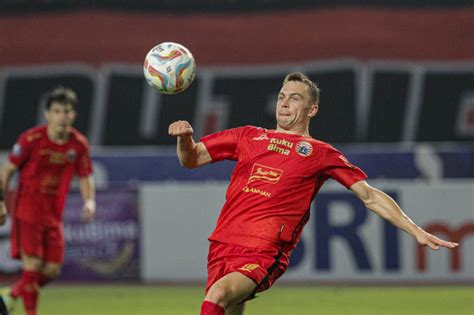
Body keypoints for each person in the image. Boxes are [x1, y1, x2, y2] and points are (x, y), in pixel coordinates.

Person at [168, 72, 459, 315]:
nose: (284, 104)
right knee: (229, 305)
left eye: (295, 98)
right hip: (222, 243)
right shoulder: (248, 136)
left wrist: (414, 229)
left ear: (312, 109)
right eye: (282, 97)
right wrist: (185, 139)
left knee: (218, 295)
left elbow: (369, 196)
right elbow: (191, 159)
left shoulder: (320, 153)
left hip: (264, 249)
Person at [0, 87, 96, 315]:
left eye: (67, 111)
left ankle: (9, 296)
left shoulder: (78, 144)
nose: (62, 116)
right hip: (27, 212)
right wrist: (1, 202)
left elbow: (85, 176)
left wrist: (89, 201)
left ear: (73, 115)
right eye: (57, 111)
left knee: (51, 271)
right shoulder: (31, 139)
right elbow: (7, 171)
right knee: (32, 269)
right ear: (48, 114)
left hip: (53, 216)